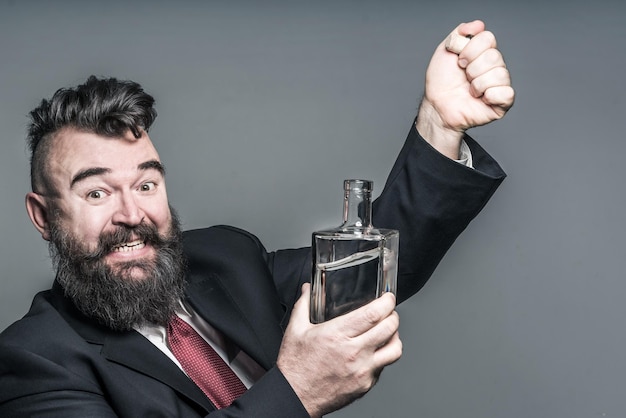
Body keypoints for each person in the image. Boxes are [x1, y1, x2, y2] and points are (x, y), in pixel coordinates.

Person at [0, 20, 513, 417]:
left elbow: (370, 272)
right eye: (96, 192)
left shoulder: (225, 259)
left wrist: (439, 123)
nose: (132, 214)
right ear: (43, 215)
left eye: (146, 183)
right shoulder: (32, 362)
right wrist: (298, 393)